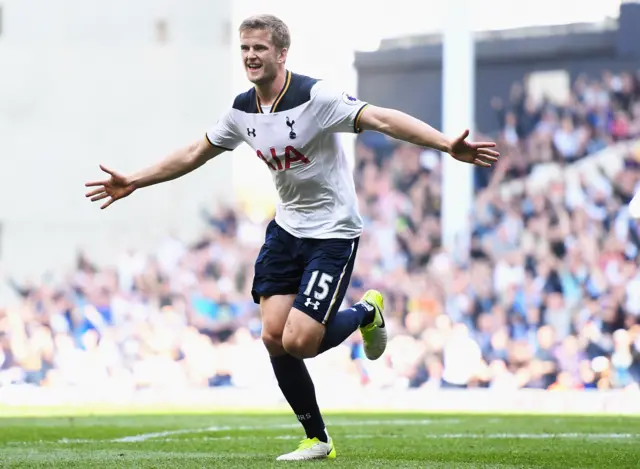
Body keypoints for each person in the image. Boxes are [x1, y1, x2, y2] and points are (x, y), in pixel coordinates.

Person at [84, 14, 499, 461]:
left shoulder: (315, 97)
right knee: (272, 337)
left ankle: (365, 313)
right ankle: (317, 439)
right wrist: (136, 180)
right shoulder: (242, 110)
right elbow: (193, 152)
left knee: (300, 341)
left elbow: (379, 117)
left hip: (333, 233)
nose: (250, 56)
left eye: (259, 48)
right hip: (286, 231)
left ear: (282, 54)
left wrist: (444, 144)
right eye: (245, 48)